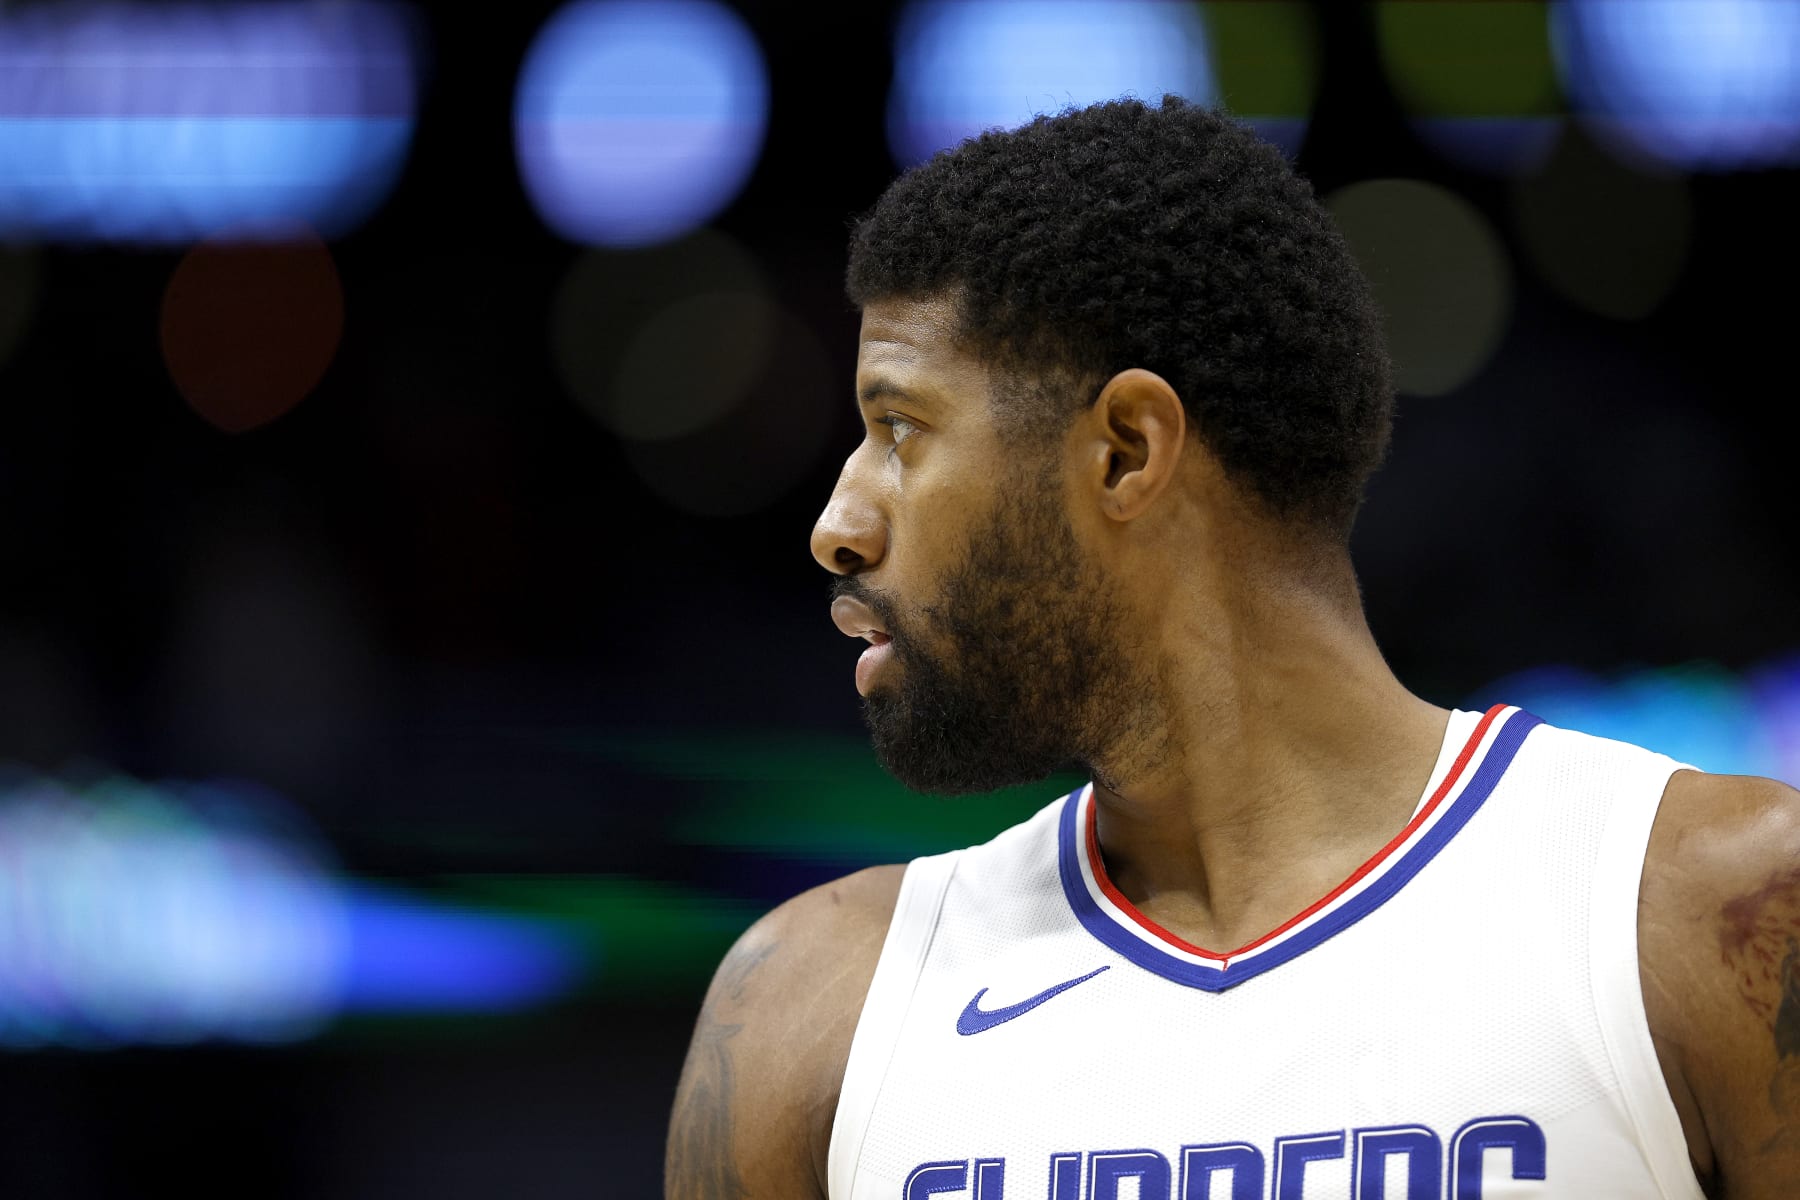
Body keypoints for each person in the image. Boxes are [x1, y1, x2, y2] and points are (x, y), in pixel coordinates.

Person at [664, 97, 1800, 1199]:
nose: (837, 523)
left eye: (900, 429)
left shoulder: (1707, 911)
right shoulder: (810, 1010)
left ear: (1124, 451)